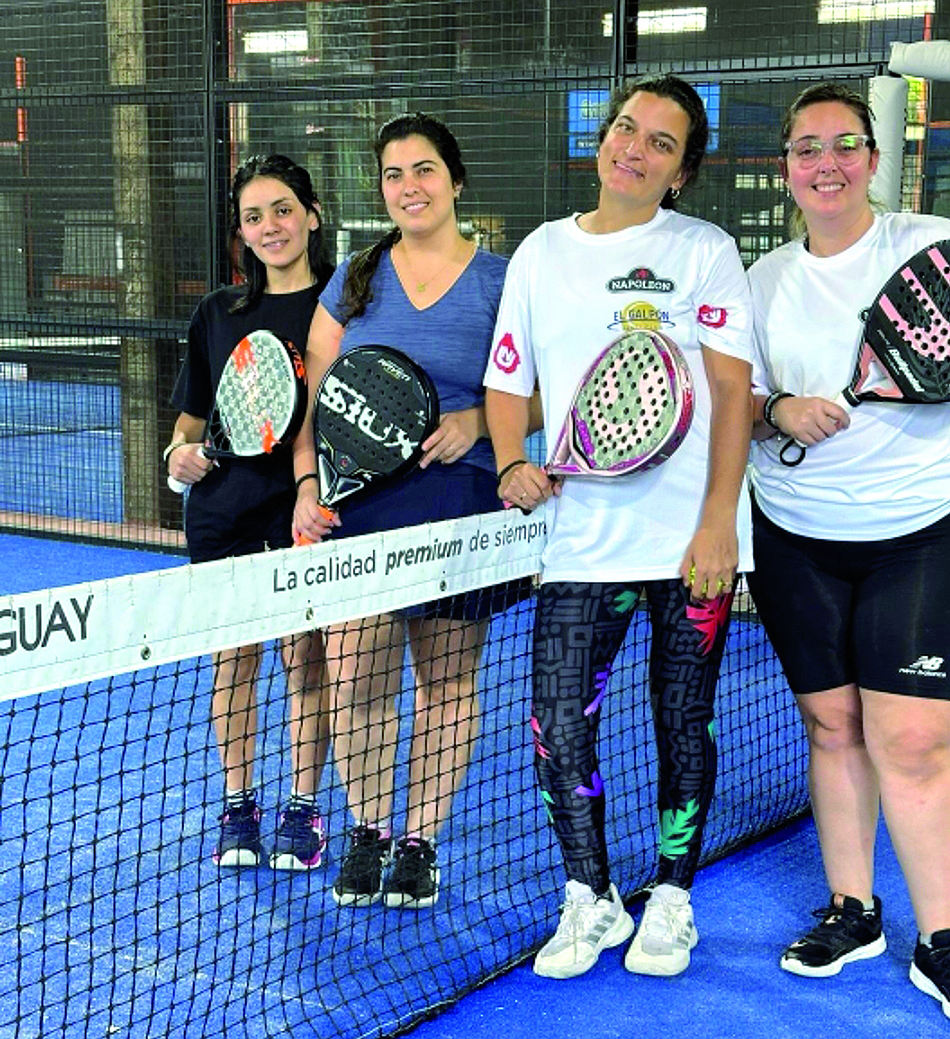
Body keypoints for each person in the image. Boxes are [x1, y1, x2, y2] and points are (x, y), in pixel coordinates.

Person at [745, 83, 950, 1026]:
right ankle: (853, 912)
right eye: (807, 148)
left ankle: (942, 941)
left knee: (913, 740)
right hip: (797, 536)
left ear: (873, 160)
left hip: (922, 533)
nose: (827, 163)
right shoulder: (762, 282)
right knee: (834, 727)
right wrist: (778, 412)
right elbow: (744, 411)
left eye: (846, 145)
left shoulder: (929, 244)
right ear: (786, 167)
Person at [484, 74, 753, 979]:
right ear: (603, 139)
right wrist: (510, 460)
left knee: (684, 719)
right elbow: (507, 382)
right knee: (558, 727)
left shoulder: (706, 250)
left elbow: (727, 393)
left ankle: (672, 898)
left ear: (681, 172)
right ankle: (590, 896)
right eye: (626, 129)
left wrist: (720, 523)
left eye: (661, 142)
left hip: (689, 547)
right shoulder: (538, 254)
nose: (634, 148)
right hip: (577, 545)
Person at [293, 112, 516, 910]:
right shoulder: (355, 275)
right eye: (393, 174)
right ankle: (367, 832)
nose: (409, 187)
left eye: (424, 170)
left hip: (459, 499)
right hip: (362, 501)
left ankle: (419, 841)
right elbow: (314, 393)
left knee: (447, 681)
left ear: (454, 180)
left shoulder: (502, 278)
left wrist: (481, 421)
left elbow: (538, 386)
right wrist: (307, 484)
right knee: (355, 676)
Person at [166, 154, 335, 870]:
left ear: (311, 216)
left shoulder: (341, 310)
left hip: (303, 510)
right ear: (241, 232)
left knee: (306, 657)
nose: (270, 227)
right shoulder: (217, 313)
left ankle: (303, 807)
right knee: (233, 659)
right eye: (254, 217)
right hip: (224, 512)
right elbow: (186, 426)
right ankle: (239, 803)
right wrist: (178, 456)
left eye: (283, 210)